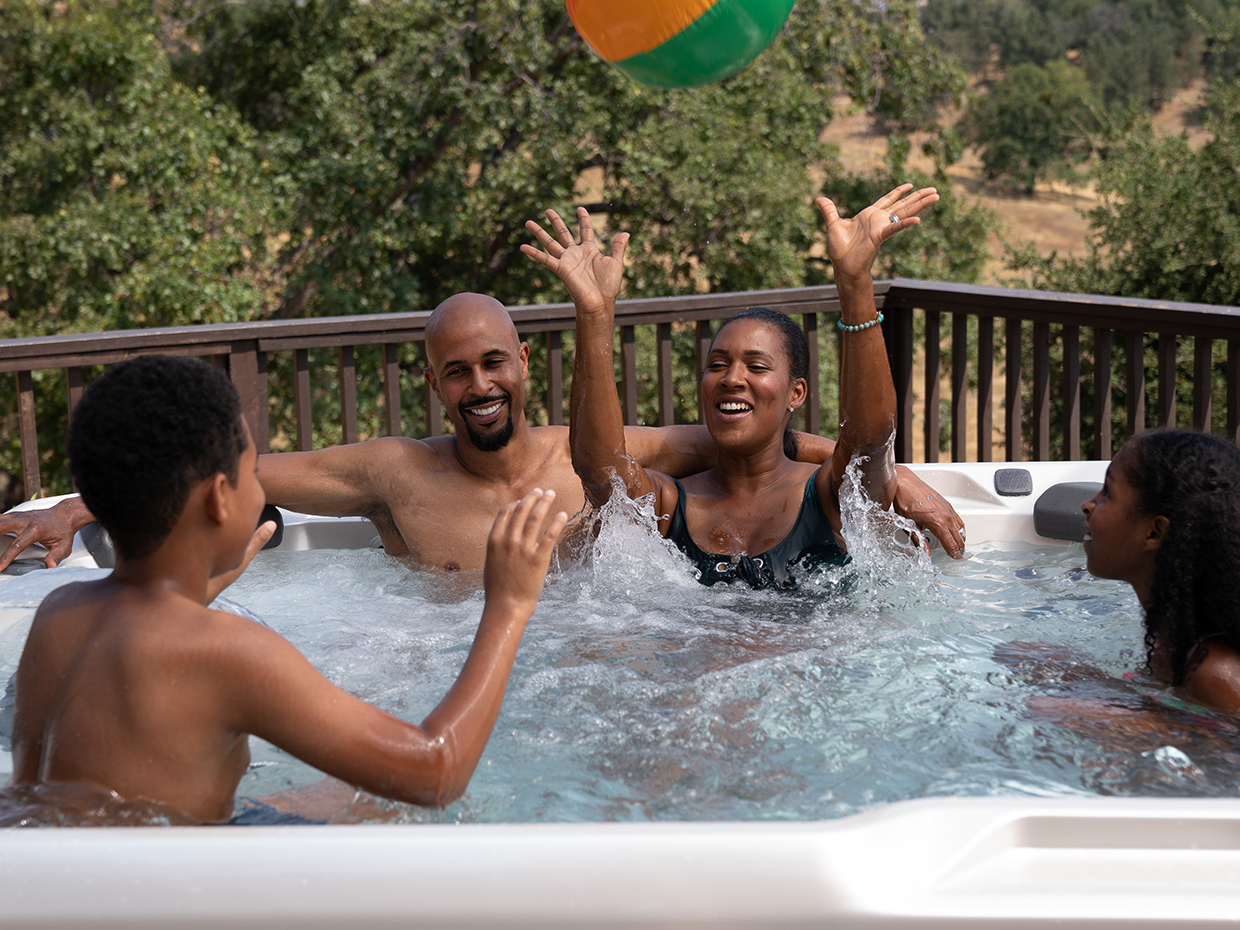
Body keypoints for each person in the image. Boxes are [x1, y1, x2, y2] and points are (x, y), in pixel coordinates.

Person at [0, 296, 966, 572]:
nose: (480, 385)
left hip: (593, 656)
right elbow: (236, 471)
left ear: (523, 367)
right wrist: (86, 499)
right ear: (435, 384)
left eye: (494, 363)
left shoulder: (588, 452)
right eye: (457, 371)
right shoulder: (390, 474)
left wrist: (893, 482)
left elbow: (739, 439)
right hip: (439, 662)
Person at [9, 355, 567, 823]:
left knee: (336, 800)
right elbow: (435, 772)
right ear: (219, 499)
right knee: (384, 813)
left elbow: (54, 788)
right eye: (254, 474)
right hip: (181, 913)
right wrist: (508, 605)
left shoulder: (61, 611)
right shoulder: (230, 651)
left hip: (87, 884)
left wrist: (188, 594)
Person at [522, 185, 939, 588]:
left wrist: (855, 283)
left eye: (756, 367)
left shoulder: (828, 495)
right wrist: (594, 314)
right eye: (717, 365)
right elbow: (602, 474)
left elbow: (868, 441)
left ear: (797, 393)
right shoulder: (671, 505)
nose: (732, 379)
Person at [1079, 429, 1240, 713]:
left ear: (1154, 532)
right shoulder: (1174, 641)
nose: (1088, 505)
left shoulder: (1217, 674)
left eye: (1108, 493)